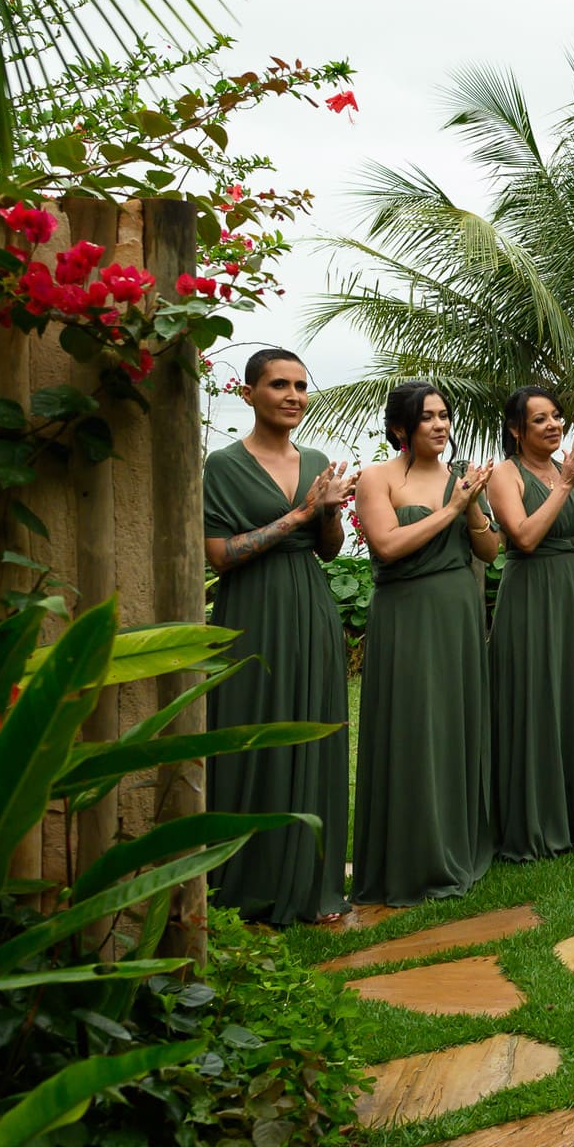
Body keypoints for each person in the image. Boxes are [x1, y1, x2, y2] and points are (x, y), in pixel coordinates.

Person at [202, 347, 354, 926]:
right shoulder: (223, 464)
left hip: (311, 606)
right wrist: (299, 514)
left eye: (300, 386)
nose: (293, 396)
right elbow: (220, 556)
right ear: (248, 394)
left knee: (312, 732)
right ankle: (246, 881)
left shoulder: (314, 458)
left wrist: (330, 512)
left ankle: (308, 878)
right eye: (278, 386)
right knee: (252, 732)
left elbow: (329, 549)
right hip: (252, 609)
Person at [350, 382, 497, 906]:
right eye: (427, 417)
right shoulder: (376, 478)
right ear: (400, 429)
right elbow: (387, 546)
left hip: (457, 611)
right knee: (413, 727)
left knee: (453, 725)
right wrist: (452, 509)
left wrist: (473, 507)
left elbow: (490, 549)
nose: (440, 425)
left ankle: (457, 841)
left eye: (444, 415)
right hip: (407, 615)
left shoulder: (459, 480)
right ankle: (411, 852)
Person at [486, 387, 574, 858]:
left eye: (557, 416)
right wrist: (563, 487)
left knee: (572, 695)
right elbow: (523, 537)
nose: (554, 425)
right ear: (517, 430)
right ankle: (534, 821)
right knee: (536, 697)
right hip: (532, 592)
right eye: (540, 420)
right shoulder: (505, 474)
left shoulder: (568, 469)